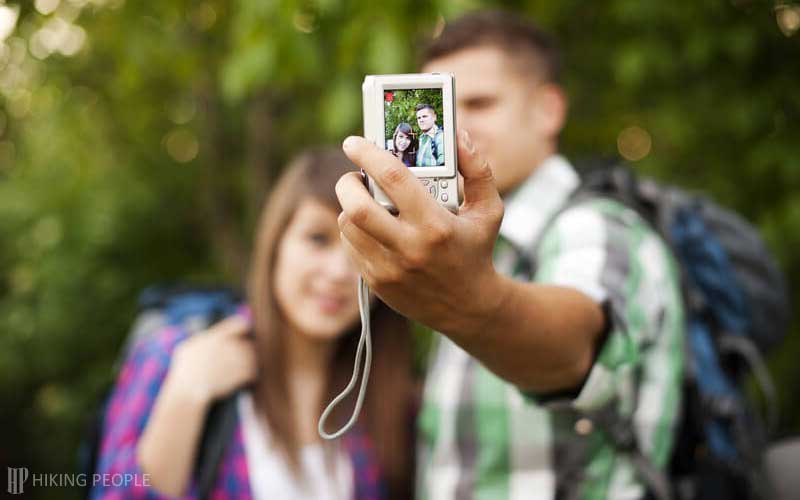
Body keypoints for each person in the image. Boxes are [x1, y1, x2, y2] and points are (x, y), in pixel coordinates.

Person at [334, 10, 684, 499]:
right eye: (443, 104)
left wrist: (471, 303)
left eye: (478, 102)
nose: (459, 124)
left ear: (548, 109)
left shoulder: (598, 227)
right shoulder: (462, 246)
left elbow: (573, 350)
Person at [91, 148, 414, 500]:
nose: (338, 272)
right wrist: (185, 395)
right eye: (317, 239)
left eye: (361, 251)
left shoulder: (389, 396)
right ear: (275, 243)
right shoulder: (175, 354)